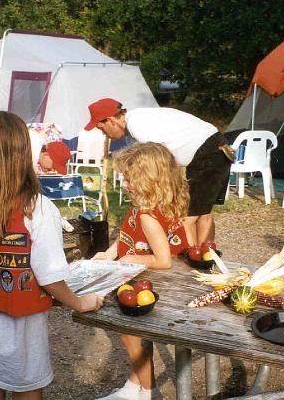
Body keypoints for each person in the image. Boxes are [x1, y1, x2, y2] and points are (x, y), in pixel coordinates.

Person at [0, 111, 104, 399]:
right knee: (28, 386)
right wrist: (79, 302)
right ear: (24, 153)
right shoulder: (38, 207)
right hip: (19, 322)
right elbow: (50, 277)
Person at [92, 142, 190, 400]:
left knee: (130, 338)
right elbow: (128, 234)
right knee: (135, 337)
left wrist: (129, 258)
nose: (123, 184)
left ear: (148, 180)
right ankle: (132, 389)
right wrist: (112, 253)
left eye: (128, 179)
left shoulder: (148, 215)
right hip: (153, 279)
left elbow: (163, 260)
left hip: (151, 280)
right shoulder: (154, 202)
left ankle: (146, 393)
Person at [84, 98, 233, 260]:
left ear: (111, 120)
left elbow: (157, 161)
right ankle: (206, 257)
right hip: (217, 145)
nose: (104, 134)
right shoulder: (138, 119)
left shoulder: (137, 126)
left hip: (207, 152)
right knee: (203, 213)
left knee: (189, 217)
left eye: (102, 128)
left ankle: (193, 263)